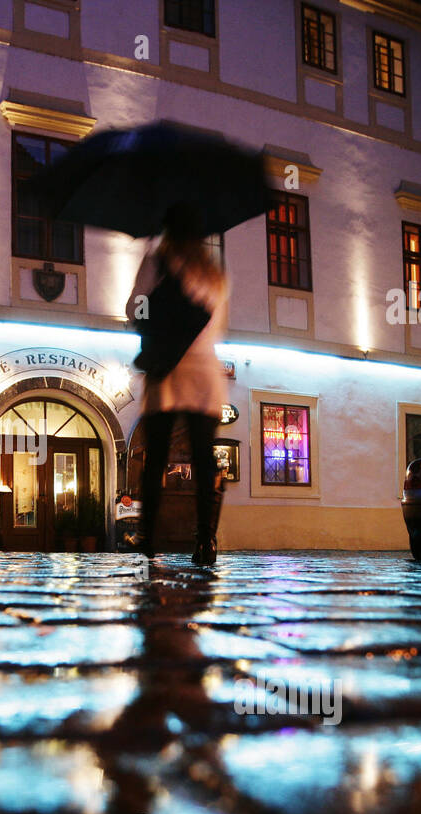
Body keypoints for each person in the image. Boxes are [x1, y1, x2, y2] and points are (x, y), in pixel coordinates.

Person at [126, 205, 230, 565]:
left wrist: (150, 314)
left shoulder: (157, 261)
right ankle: (205, 541)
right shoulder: (215, 274)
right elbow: (218, 325)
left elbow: (134, 309)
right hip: (205, 374)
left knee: (155, 459)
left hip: (166, 370)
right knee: (204, 459)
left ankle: (146, 539)